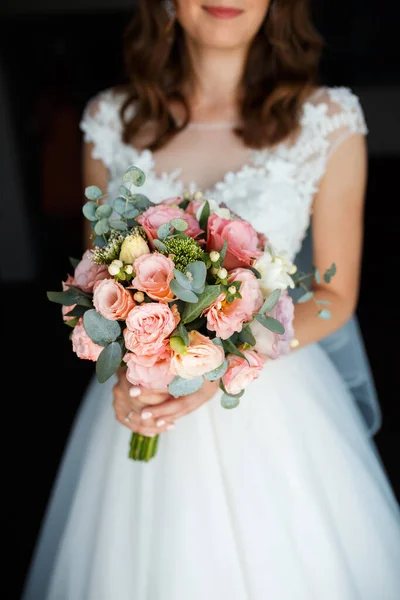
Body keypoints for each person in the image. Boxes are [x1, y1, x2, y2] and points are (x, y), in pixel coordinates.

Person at [23, 1, 400, 598]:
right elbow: (97, 287)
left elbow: (335, 296)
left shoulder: (328, 121)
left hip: (276, 412)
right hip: (141, 404)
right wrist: (125, 369)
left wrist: (221, 365)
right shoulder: (110, 120)